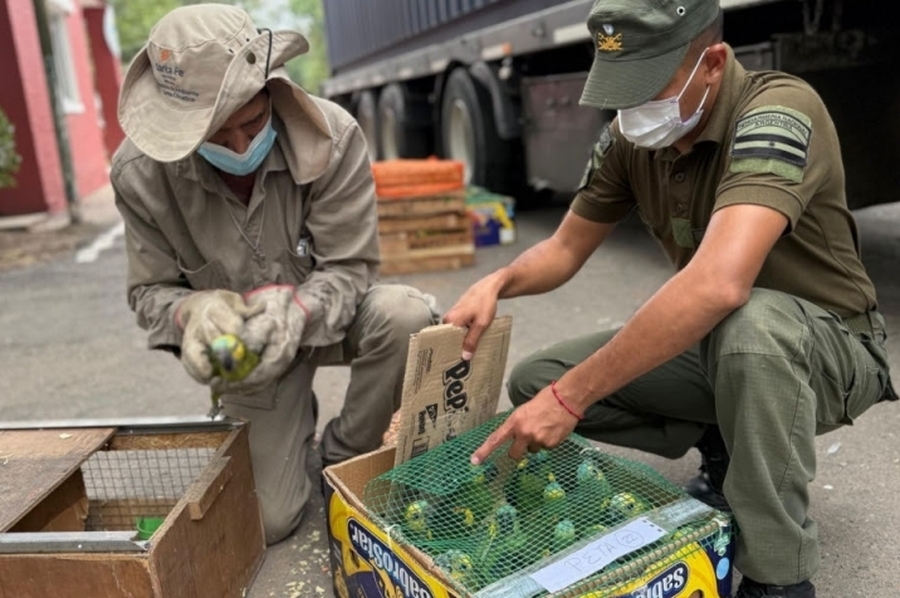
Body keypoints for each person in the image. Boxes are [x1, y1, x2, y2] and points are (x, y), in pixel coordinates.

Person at [443, 0, 897, 596]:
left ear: (712, 62)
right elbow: (564, 248)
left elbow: (719, 284)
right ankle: (723, 445)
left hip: (831, 348)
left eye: (647, 87)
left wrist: (572, 397)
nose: (632, 110)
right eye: (620, 90)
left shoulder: (778, 109)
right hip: (729, 343)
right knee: (538, 378)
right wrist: (496, 282)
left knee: (746, 327)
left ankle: (778, 575)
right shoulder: (633, 138)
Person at [111, 4, 437, 545]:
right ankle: (281, 419)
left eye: (252, 122)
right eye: (218, 134)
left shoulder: (333, 136)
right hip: (250, 356)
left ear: (272, 90)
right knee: (270, 522)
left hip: (328, 316)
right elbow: (148, 291)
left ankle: (345, 454)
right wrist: (191, 311)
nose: (240, 147)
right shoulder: (140, 174)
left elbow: (350, 267)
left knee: (406, 314)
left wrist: (300, 309)